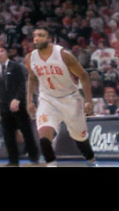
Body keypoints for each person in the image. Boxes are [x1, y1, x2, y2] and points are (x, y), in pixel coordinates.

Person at [27, 27, 99, 166]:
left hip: (70, 98)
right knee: (44, 138)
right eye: (35, 36)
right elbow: (32, 78)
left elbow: (83, 76)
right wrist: (29, 100)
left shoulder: (63, 55)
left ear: (50, 39)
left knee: (80, 137)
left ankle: (91, 160)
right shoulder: (31, 57)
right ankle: (51, 164)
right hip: (47, 98)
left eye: (41, 35)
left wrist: (88, 101)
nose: (36, 39)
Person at [0, 45, 39, 166]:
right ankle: (13, 160)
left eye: (0, 51)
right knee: (8, 134)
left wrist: (17, 99)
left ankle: (34, 156)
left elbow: (22, 85)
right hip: (3, 106)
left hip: (18, 105)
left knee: (26, 131)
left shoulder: (16, 67)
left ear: (5, 53)